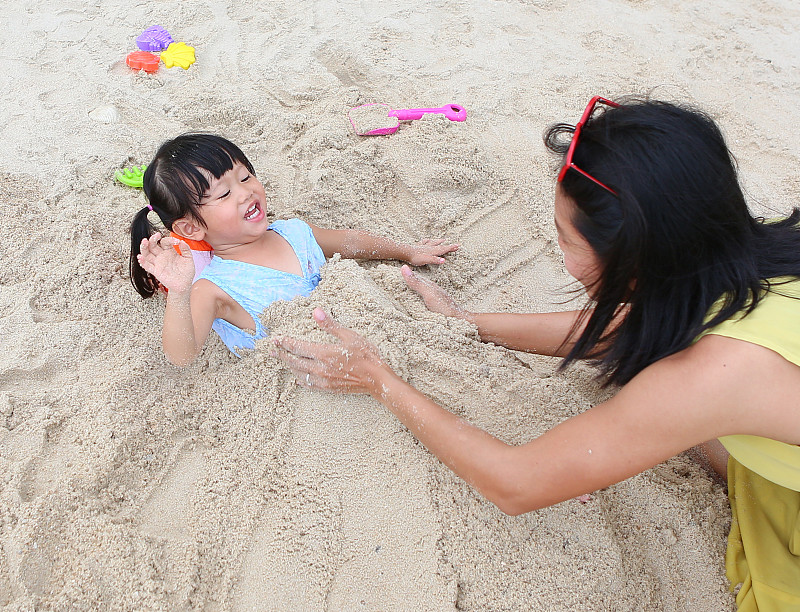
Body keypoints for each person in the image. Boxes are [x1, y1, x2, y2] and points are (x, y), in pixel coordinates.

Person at [272, 97, 800, 611]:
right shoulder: (749, 260)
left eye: (565, 239)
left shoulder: (715, 373)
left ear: (634, 259)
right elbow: (629, 327)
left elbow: (517, 483)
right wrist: (466, 326)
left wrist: (378, 380)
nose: (560, 254)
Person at [129, 134, 458, 366]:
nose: (245, 193)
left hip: (377, 342)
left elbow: (349, 241)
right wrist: (179, 291)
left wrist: (406, 251)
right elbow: (182, 354)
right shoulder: (212, 288)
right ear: (191, 228)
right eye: (224, 194)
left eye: (245, 177)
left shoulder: (293, 232)